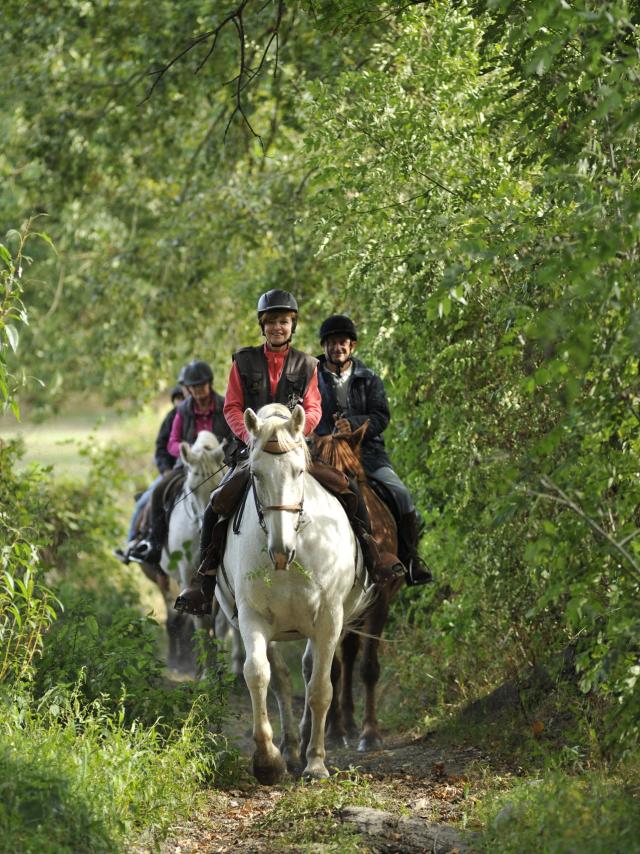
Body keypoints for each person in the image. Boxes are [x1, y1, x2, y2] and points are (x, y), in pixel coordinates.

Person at [175, 290, 388, 617]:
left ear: (292, 325)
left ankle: (373, 561)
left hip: (296, 449)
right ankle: (203, 581)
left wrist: (295, 433)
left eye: (284, 321)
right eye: (272, 321)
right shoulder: (243, 362)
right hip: (253, 452)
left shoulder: (308, 364)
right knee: (216, 504)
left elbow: (314, 407)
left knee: (349, 489)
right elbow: (232, 406)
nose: (278, 327)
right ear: (263, 326)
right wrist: (251, 434)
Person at [315, 314, 432, 586]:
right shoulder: (311, 379)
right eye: (332, 343)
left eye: (343, 342)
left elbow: (381, 417)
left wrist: (354, 425)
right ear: (324, 346)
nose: (337, 348)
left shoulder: (369, 378)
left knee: (402, 496)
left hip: (367, 454)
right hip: (325, 455)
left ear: (352, 346)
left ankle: (411, 558)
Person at [128, 359, 231, 566]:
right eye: (193, 387)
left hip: (220, 464)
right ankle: (153, 544)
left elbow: (233, 435)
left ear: (209, 384)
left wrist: (221, 452)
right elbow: (172, 442)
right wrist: (188, 453)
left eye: (201, 386)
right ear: (188, 389)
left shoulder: (225, 405)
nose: (198, 391)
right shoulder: (182, 410)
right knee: (158, 492)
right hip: (189, 466)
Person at [114, 376, 186, 565]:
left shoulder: (201, 414)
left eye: (183, 398)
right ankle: (132, 542)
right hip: (173, 471)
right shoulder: (171, 418)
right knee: (146, 500)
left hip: (200, 470)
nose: (180, 403)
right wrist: (165, 470)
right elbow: (161, 448)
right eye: (177, 399)